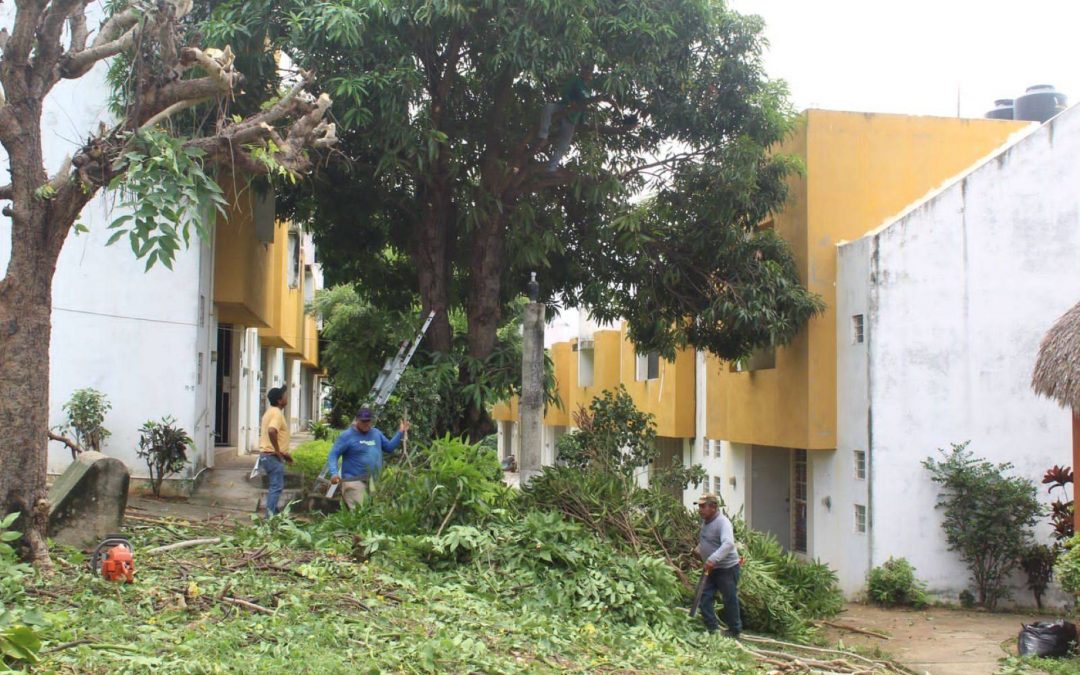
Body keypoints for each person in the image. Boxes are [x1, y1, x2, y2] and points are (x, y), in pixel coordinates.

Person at [327, 407, 410, 508]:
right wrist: (334, 473)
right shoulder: (346, 436)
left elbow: (389, 447)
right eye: (363, 421)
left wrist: (400, 432)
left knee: (372, 514)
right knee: (360, 513)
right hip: (354, 481)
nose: (366, 424)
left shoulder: (376, 433)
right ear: (357, 420)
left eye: (368, 421)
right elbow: (333, 455)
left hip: (374, 482)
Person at [696, 493, 742, 638]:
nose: (700, 509)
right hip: (711, 568)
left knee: (729, 598)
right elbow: (709, 540)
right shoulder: (706, 521)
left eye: (703, 506)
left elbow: (728, 544)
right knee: (703, 596)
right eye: (699, 506)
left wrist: (712, 559)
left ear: (713, 507)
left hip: (726, 569)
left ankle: (734, 630)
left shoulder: (723, 523)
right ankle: (712, 629)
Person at [538, 66, 594, 172]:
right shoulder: (575, 80)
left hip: (572, 118)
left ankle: (551, 168)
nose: (587, 73)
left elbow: (584, 107)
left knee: (564, 144)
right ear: (582, 71)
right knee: (548, 107)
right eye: (586, 70)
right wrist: (569, 102)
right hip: (562, 107)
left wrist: (584, 120)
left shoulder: (588, 90)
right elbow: (564, 91)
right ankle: (543, 136)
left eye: (590, 71)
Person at [258, 386, 292, 517]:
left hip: (268, 455)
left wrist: (284, 453)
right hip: (271, 456)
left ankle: (274, 515)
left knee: (275, 486)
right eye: (285, 396)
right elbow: (272, 431)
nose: (287, 397)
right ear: (279, 400)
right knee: (276, 487)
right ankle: (269, 518)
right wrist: (278, 451)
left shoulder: (270, 412)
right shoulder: (277, 413)